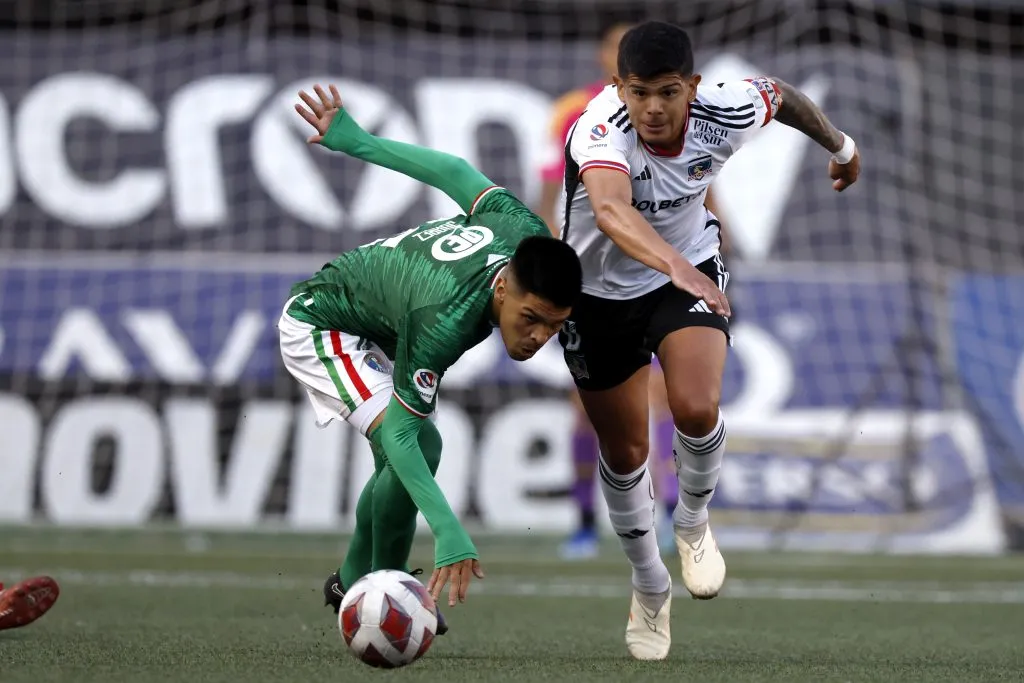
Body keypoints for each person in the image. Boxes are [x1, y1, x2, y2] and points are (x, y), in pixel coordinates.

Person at [557, 21, 860, 660]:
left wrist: (841, 144)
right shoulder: (597, 129)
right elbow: (610, 212)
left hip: (686, 268)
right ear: (619, 88)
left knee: (695, 405)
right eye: (639, 93)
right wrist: (673, 264)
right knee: (627, 449)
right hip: (598, 292)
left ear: (694, 86)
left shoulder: (725, 107)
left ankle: (692, 523)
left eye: (669, 91)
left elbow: (780, 96)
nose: (655, 108)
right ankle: (649, 584)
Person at [281, 85, 583, 623]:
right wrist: (449, 531)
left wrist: (357, 140)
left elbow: (455, 171)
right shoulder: (445, 321)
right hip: (321, 323)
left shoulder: (526, 232)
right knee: (416, 444)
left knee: (412, 450)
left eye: (553, 327)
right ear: (501, 291)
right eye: (530, 319)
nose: (538, 337)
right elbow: (398, 433)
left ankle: (360, 583)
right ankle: (377, 593)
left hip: (385, 315)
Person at [540, 23, 726, 561]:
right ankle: (582, 521)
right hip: (591, 273)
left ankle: (674, 515)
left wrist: (714, 255)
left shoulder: (683, 120)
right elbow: (551, 193)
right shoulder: (576, 115)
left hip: (661, 272)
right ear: (611, 64)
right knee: (590, 409)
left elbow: (698, 185)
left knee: (673, 398)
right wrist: (552, 262)